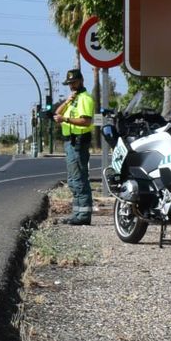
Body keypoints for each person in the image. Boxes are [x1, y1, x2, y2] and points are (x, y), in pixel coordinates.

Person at [53, 68, 98, 224]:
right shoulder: (74, 98)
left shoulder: (85, 99)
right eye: (69, 83)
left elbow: (86, 121)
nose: (71, 86)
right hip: (70, 142)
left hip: (78, 141)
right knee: (73, 180)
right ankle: (78, 214)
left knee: (79, 179)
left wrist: (65, 119)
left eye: (74, 82)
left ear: (81, 81)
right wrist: (67, 101)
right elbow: (57, 114)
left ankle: (83, 216)